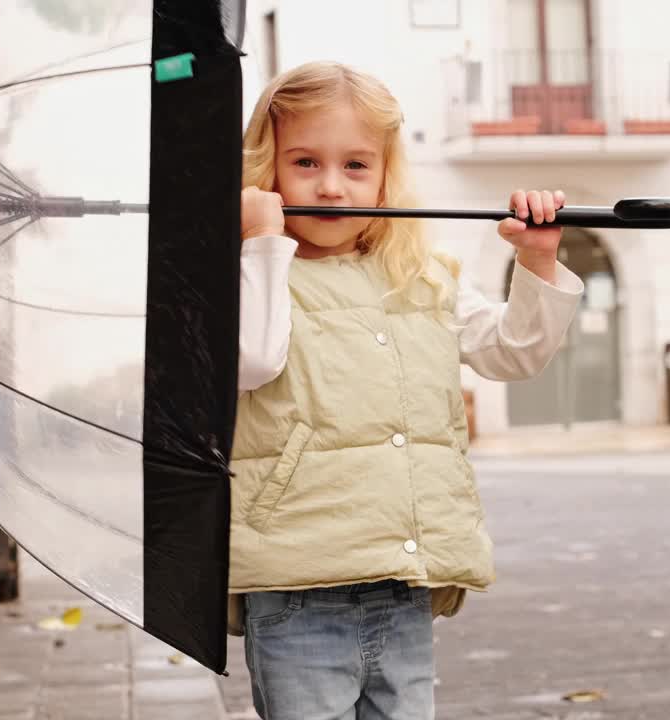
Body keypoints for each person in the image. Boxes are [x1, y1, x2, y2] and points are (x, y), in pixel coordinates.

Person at [231, 61, 585, 720]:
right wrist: (260, 244)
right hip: (298, 583)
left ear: (388, 175)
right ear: (267, 170)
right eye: (305, 163)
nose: (332, 187)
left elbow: (515, 353)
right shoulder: (254, 275)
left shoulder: (422, 277)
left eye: (356, 166)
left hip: (405, 580)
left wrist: (536, 260)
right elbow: (251, 360)